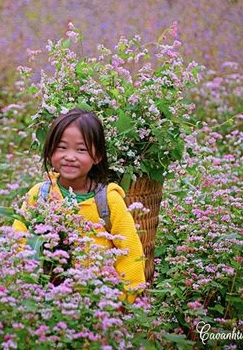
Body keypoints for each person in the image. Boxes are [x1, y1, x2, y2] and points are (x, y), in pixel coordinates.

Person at [13, 108, 145, 303]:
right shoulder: (40, 195)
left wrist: (123, 300)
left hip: (98, 302)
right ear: (50, 152)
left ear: (97, 156)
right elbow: (18, 239)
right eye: (62, 147)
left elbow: (131, 252)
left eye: (81, 149)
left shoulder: (108, 200)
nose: (70, 156)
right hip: (46, 300)